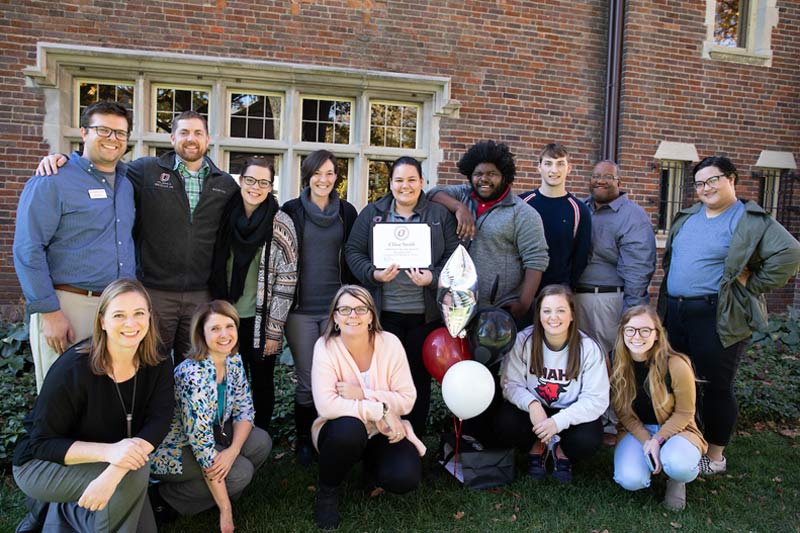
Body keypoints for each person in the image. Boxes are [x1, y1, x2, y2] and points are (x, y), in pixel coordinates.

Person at [35, 110, 240, 365]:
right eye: (184, 132)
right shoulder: (146, 171)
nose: (191, 139)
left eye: (198, 133)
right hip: (154, 291)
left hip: (201, 294)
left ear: (208, 139)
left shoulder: (225, 184)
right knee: (150, 363)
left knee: (196, 364)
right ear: (172, 137)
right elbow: (102, 165)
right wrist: (65, 160)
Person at [658, 156, 800, 475]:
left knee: (716, 385)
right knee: (679, 380)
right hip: (677, 313)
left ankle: (715, 456)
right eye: (699, 183)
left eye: (713, 180)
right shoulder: (688, 216)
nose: (705, 188)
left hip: (718, 315)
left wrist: (754, 283)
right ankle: (684, 441)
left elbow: (791, 253)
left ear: (731, 179)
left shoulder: (749, 218)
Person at [12, 278, 174, 533]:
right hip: (42, 463)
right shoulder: (72, 370)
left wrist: (114, 470)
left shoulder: (158, 358)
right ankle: (54, 506)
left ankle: (62, 512)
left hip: (113, 459)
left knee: (133, 487)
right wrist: (111, 455)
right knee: (134, 475)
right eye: (119, 315)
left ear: (150, 317)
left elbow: (160, 418)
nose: (131, 324)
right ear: (102, 321)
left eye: (139, 313)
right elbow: (42, 443)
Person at [15, 101, 136, 391]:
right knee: (62, 396)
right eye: (103, 130)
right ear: (83, 132)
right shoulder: (52, 180)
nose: (113, 138)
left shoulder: (127, 182)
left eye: (120, 133)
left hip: (116, 307)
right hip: (69, 304)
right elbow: (28, 249)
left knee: (107, 396)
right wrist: (50, 313)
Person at [345, 156, 459, 435]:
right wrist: (374, 274)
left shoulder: (438, 215)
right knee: (384, 379)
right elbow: (353, 251)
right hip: (386, 315)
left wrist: (434, 278)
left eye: (411, 180)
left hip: (425, 316)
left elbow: (456, 258)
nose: (405, 186)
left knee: (417, 380)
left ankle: (414, 437)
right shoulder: (372, 214)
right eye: (399, 180)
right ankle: (385, 435)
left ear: (422, 182)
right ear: (391, 183)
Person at [151, 300, 272, 533]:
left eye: (230, 326)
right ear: (201, 334)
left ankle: (211, 493)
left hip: (214, 431)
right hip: (174, 448)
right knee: (240, 473)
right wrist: (226, 512)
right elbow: (204, 450)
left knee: (260, 442)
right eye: (215, 329)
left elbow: (245, 410)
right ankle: (164, 499)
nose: (224, 334)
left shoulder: (232, 359)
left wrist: (232, 451)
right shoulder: (193, 376)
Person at [311, 285, 424, 530]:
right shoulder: (325, 347)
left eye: (361, 309)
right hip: (341, 431)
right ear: (335, 317)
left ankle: (372, 471)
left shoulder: (390, 343)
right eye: (345, 309)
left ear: (371, 316)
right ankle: (328, 491)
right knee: (349, 430)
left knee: (404, 476)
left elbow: (407, 399)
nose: (354, 315)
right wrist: (380, 409)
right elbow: (327, 406)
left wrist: (363, 394)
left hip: (384, 431)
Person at [210, 156, 298, 430]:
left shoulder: (280, 222)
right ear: (241, 181)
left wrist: (274, 331)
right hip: (226, 318)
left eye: (263, 182)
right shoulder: (225, 214)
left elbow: (287, 279)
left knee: (260, 381)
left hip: (260, 321)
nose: (255, 187)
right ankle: (226, 431)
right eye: (250, 180)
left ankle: (259, 435)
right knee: (225, 379)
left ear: (271, 186)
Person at [282, 150, 358, 465]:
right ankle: (303, 439)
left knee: (338, 375)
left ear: (336, 177)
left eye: (329, 173)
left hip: (337, 312)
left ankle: (331, 436)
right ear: (307, 175)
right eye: (317, 173)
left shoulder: (347, 212)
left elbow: (354, 256)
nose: (323, 179)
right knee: (307, 376)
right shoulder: (291, 210)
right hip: (300, 310)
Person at [494, 284, 609, 484]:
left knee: (588, 439)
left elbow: (596, 399)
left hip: (569, 414)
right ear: (538, 314)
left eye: (560, 310)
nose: (553, 317)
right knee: (505, 421)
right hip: (534, 413)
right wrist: (533, 405)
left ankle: (561, 451)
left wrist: (558, 422)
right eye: (547, 311)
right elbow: (510, 384)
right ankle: (537, 446)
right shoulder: (523, 341)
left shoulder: (588, 348)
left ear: (572, 315)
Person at [428, 140, 549, 323]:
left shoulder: (523, 213)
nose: (484, 179)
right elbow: (432, 194)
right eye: (478, 174)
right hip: (456, 305)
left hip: (497, 310)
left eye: (492, 174)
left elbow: (536, 261)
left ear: (504, 176)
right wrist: (459, 207)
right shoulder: (462, 195)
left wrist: (524, 303)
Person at [610, 305, 706, 511]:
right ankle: (651, 462)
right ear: (623, 333)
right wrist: (648, 441)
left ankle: (676, 478)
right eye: (630, 330)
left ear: (656, 334)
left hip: (677, 431)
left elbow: (685, 413)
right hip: (636, 432)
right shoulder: (615, 363)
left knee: (679, 464)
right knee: (630, 479)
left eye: (645, 330)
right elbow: (623, 414)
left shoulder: (676, 365)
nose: (637, 336)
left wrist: (658, 439)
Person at [574, 160, 657, 356]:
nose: (600, 181)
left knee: (608, 362)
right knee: (577, 363)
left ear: (619, 182)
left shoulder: (632, 216)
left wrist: (632, 315)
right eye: (596, 176)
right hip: (575, 299)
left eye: (608, 177)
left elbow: (638, 272)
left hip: (607, 303)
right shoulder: (580, 208)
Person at [519, 143, 592, 291]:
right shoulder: (521, 204)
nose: (554, 170)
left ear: (569, 168)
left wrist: (567, 288)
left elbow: (581, 257)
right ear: (539, 167)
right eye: (548, 163)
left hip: (558, 292)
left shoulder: (579, 210)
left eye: (560, 164)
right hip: (520, 291)